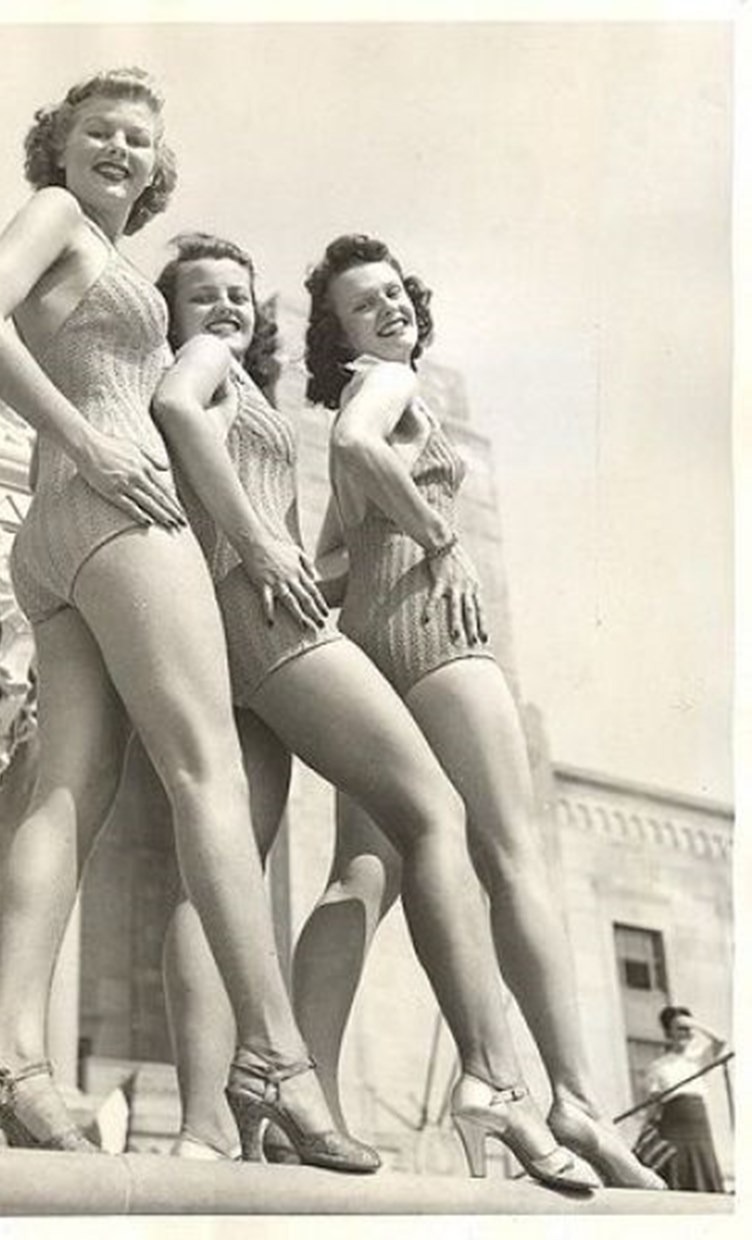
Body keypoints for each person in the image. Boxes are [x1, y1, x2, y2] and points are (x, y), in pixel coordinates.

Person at [0, 70, 377, 1173]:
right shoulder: (57, 214)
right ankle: (273, 1052)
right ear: (59, 144)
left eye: (139, 138)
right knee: (206, 772)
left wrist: (78, 454)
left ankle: (7, 1053)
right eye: (99, 131)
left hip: (53, 534)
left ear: (158, 165)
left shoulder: (101, 250)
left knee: (68, 790)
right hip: (115, 511)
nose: (121, 150)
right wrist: (92, 443)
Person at [151, 232, 598, 1190]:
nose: (227, 309)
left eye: (240, 294)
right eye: (203, 296)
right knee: (437, 815)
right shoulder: (236, 370)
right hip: (284, 619)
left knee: (230, 862)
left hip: (231, 622)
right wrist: (430, 539)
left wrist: (300, 564)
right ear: (171, 315)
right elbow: (216, 419)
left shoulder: (245, 386)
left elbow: (329, 546)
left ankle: (212, 1122)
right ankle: (497, 1077)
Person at [295, 232, 666, 1190]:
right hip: (435, 629)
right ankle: (575, 1098)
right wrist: (439, 538)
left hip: (371, 643)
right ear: (341, 336)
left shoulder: (363, 391)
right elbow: (357, 445)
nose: (388, 309)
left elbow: (333, 556)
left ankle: (302, 1094)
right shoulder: (387, 385)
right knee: (512, 855)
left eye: (393, 293)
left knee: (361, 872)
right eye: (363, 305)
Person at [644, 1006, 727, 1192]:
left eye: (687, 1029)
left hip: (697, 1122)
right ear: (668, 1032)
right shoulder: (657, 1066)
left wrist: (693, 1023)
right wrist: (646, 1131)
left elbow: (721, 1040)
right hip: (672, 1124)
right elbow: (653, 1105)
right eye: (679, 1028)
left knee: (703, 1166)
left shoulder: (698, 1059)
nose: (685, 1033)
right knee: (676, 1171)